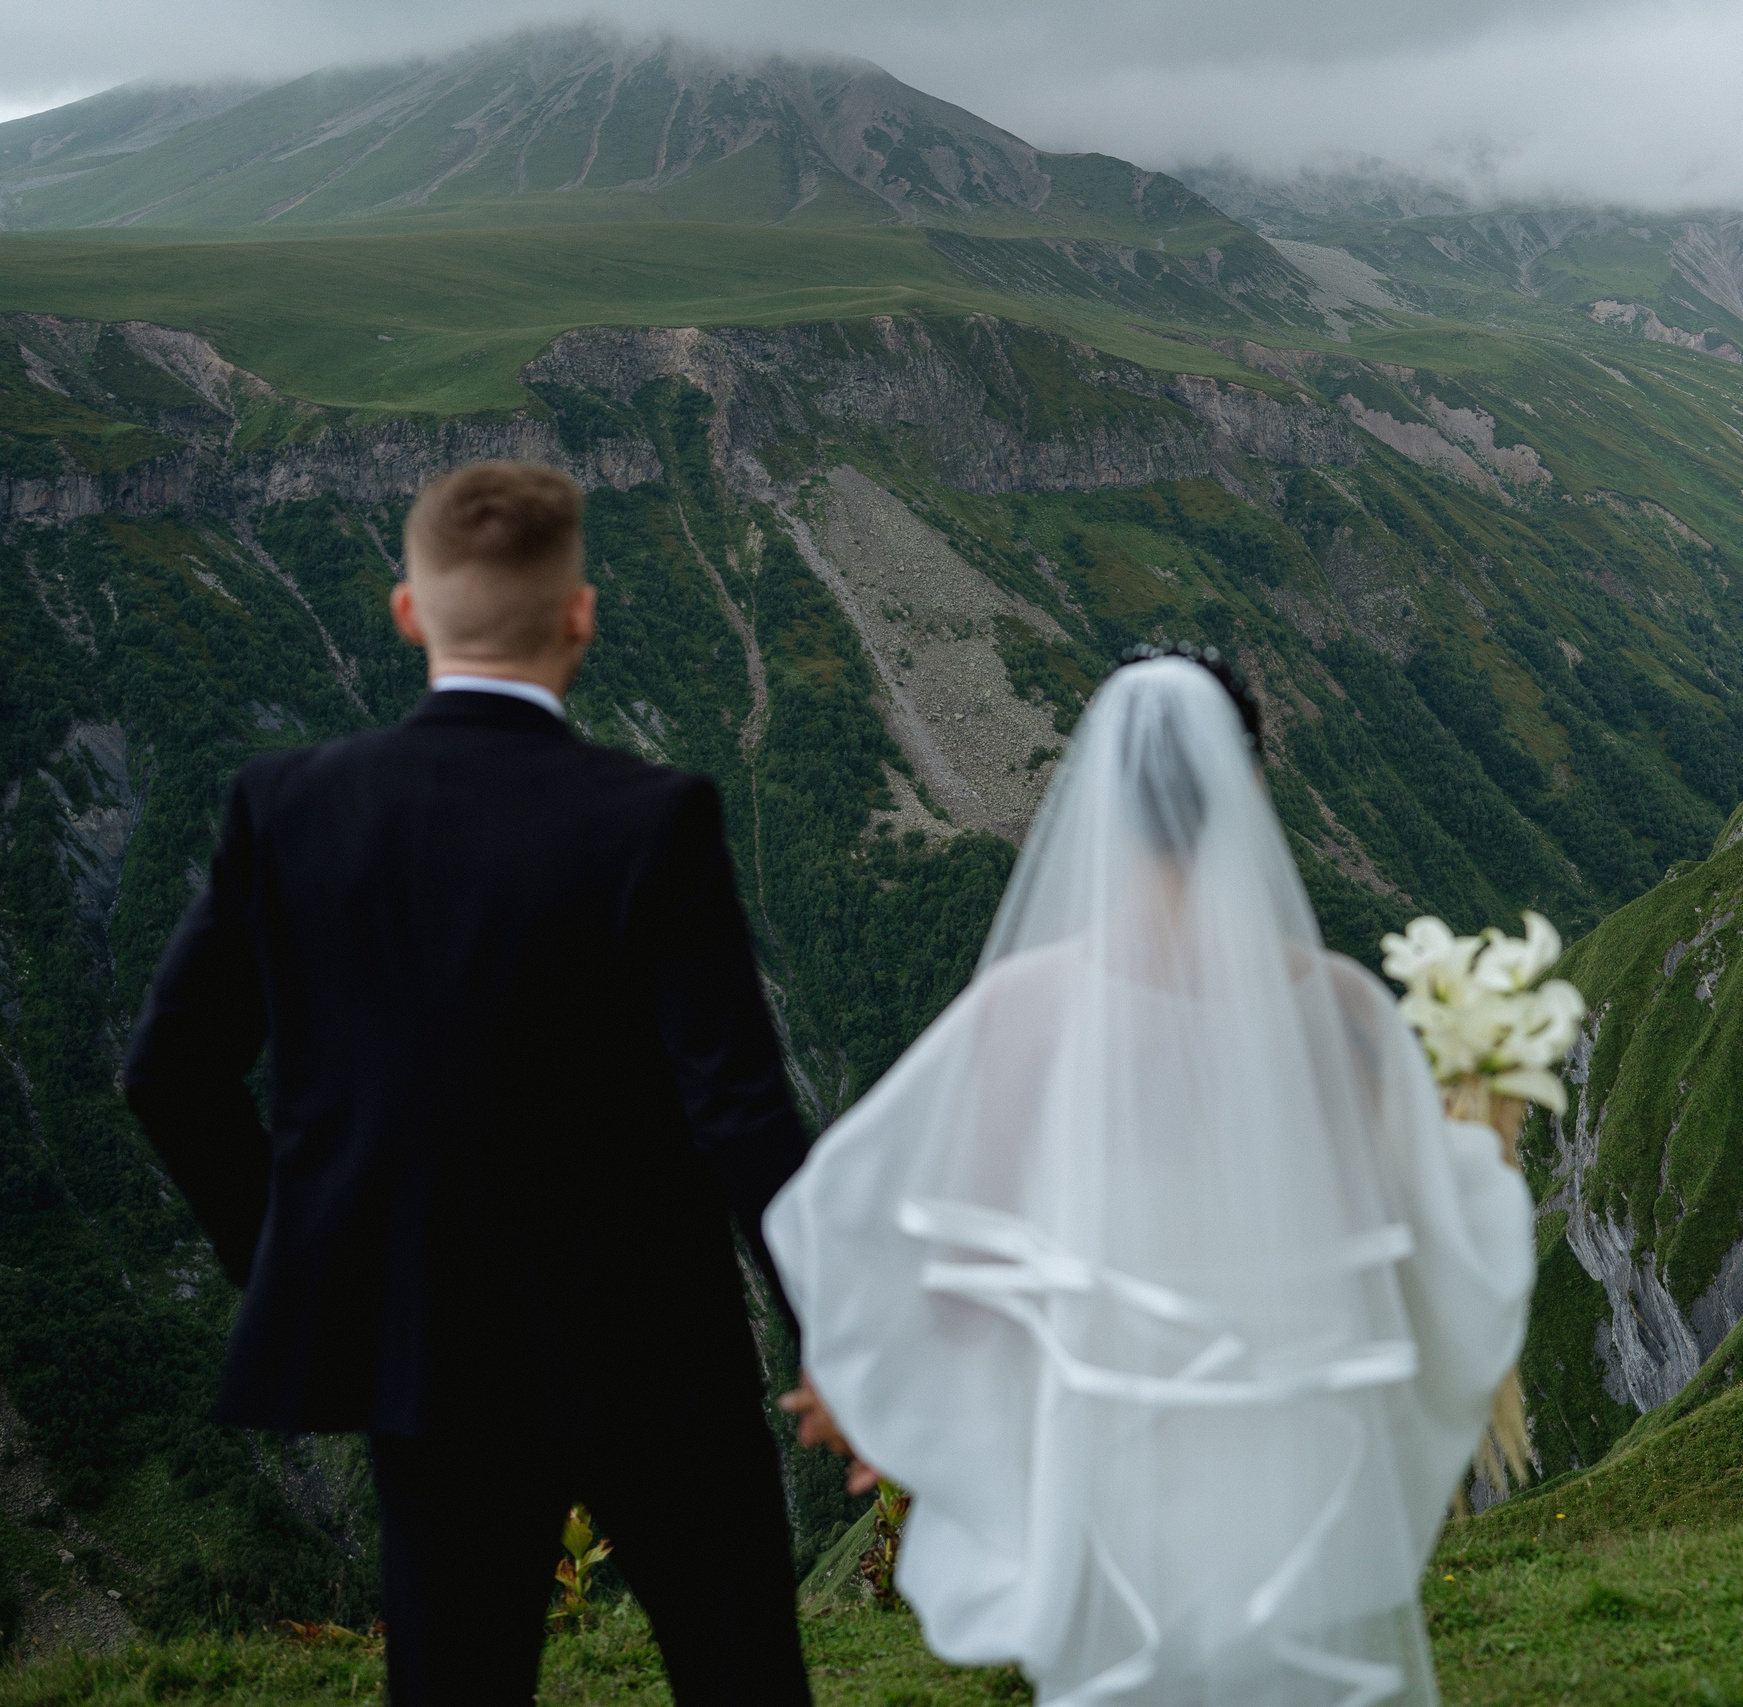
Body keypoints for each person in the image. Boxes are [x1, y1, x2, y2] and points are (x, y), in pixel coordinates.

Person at [123, 461, 813, 1705]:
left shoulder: (287, 807)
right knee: (738, 1669)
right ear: (581, 615)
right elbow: (742, 1114)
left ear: (405, 611)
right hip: (654, 1339)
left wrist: (291, 1252)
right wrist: (837, 1337)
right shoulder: (655, 818)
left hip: (422, 1340)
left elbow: (168, 1073)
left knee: (457, 1681)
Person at [767, 646, 1534, 1707]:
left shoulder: (1023, 1011)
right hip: (1293, 1462)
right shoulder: (1345, 1012)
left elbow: (939, 1247)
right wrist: (1479, 1141)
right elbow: (1412, 1237)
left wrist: (864, 1390)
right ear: (1248, 786)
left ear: (1104, 797)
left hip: (1112, 1478)